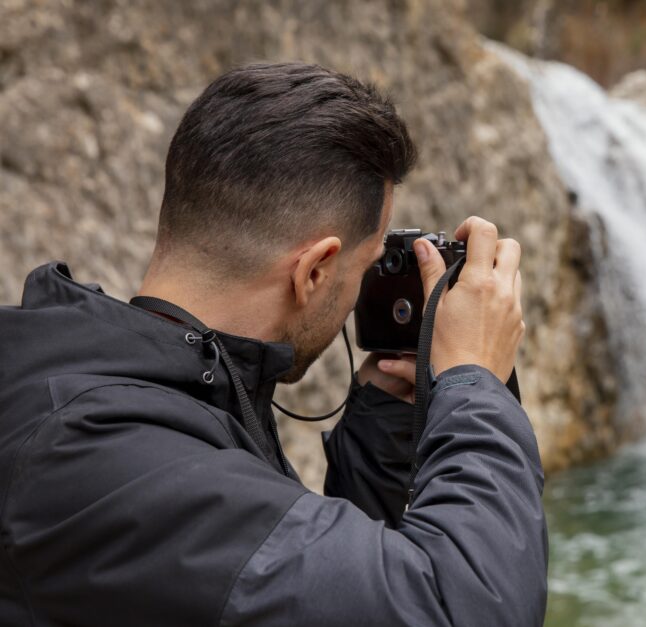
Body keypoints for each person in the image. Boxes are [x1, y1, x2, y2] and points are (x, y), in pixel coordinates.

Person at [0, 63, 547, 626]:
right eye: (366, 266)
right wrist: (474, 384)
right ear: (314, 270)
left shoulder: (162, 398)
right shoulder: (100, 451)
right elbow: (464, 613)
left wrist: (385, 420)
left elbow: (301, 597)